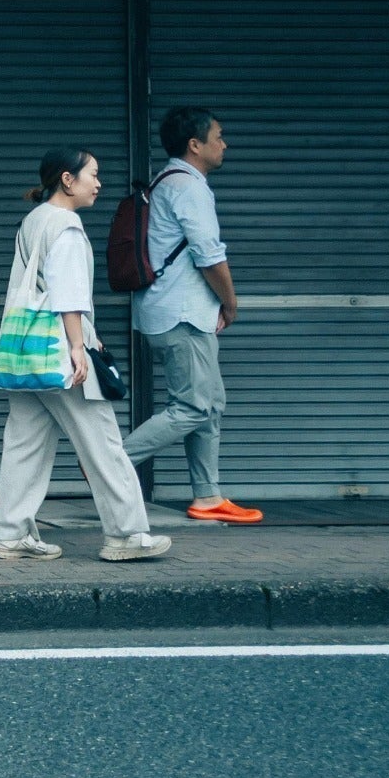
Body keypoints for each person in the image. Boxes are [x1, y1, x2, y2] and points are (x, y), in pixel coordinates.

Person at [0, 148, 173, 564]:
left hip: (26, 354)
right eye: (93, 174)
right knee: (103, 442)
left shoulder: (33, 220)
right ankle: (126, 534)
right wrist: (78, 347)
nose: (99, 183)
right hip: (60, 350)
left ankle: (14, 534)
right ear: (67, 180)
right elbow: (67, 293)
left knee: (24, 443)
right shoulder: (67, 226)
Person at [122, 107, 260, 524]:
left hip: (178, 313)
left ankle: (207, 496)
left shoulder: (170, 182)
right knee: (194, 407)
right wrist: (230, 303)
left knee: (209, 404)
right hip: (182, 315)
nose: (224, 143)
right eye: (218, 135)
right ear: (195, 144)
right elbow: (208, 254)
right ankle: (110, 464)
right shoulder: (187, 186)